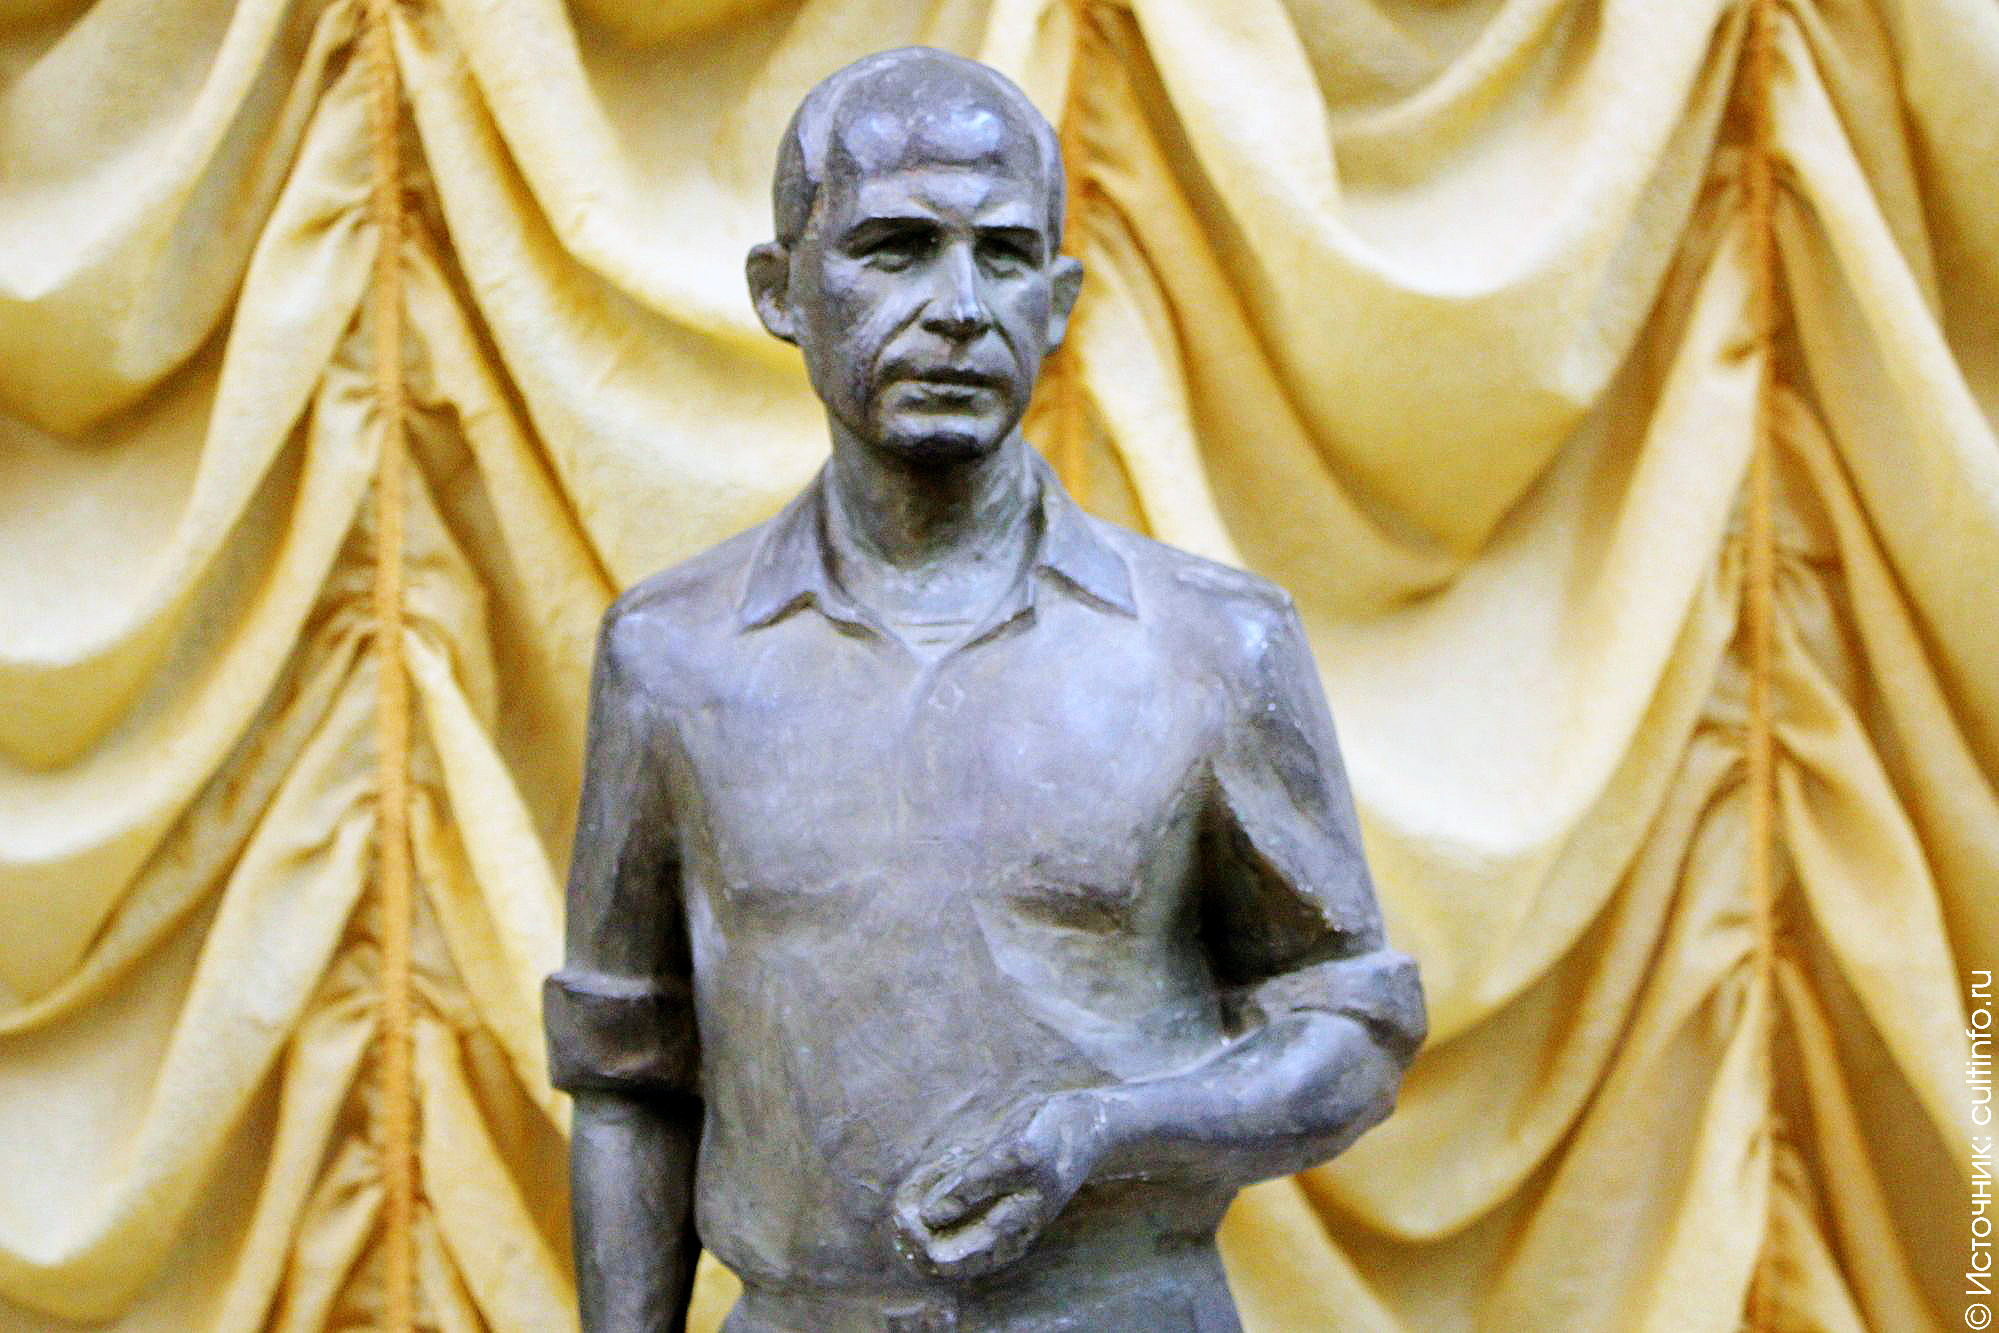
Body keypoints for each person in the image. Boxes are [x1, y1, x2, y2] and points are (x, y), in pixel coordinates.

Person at [544, 46, 1425, 1333]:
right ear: (781, 292)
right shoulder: (672, 657)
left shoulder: (1213, 645)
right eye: (895, 250)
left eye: (1003, 256)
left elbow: (1351, 1031)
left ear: (1058, 303)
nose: (958, 308)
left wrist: (1109, 1133)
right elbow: (628, 1072)